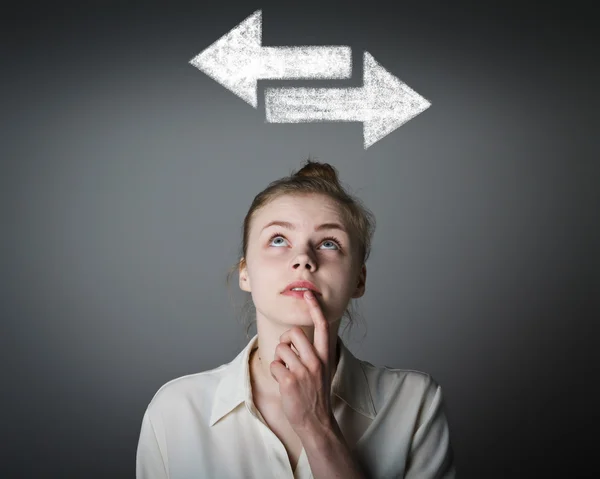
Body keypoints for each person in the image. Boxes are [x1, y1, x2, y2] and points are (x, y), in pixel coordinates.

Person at [136, 159, 456, 478]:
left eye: (329, 244)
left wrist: (316, 426)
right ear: (245, 273)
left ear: (359, 280)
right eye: (278, 240)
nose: (303, 258)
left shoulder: (414, 403)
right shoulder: (175, 411)